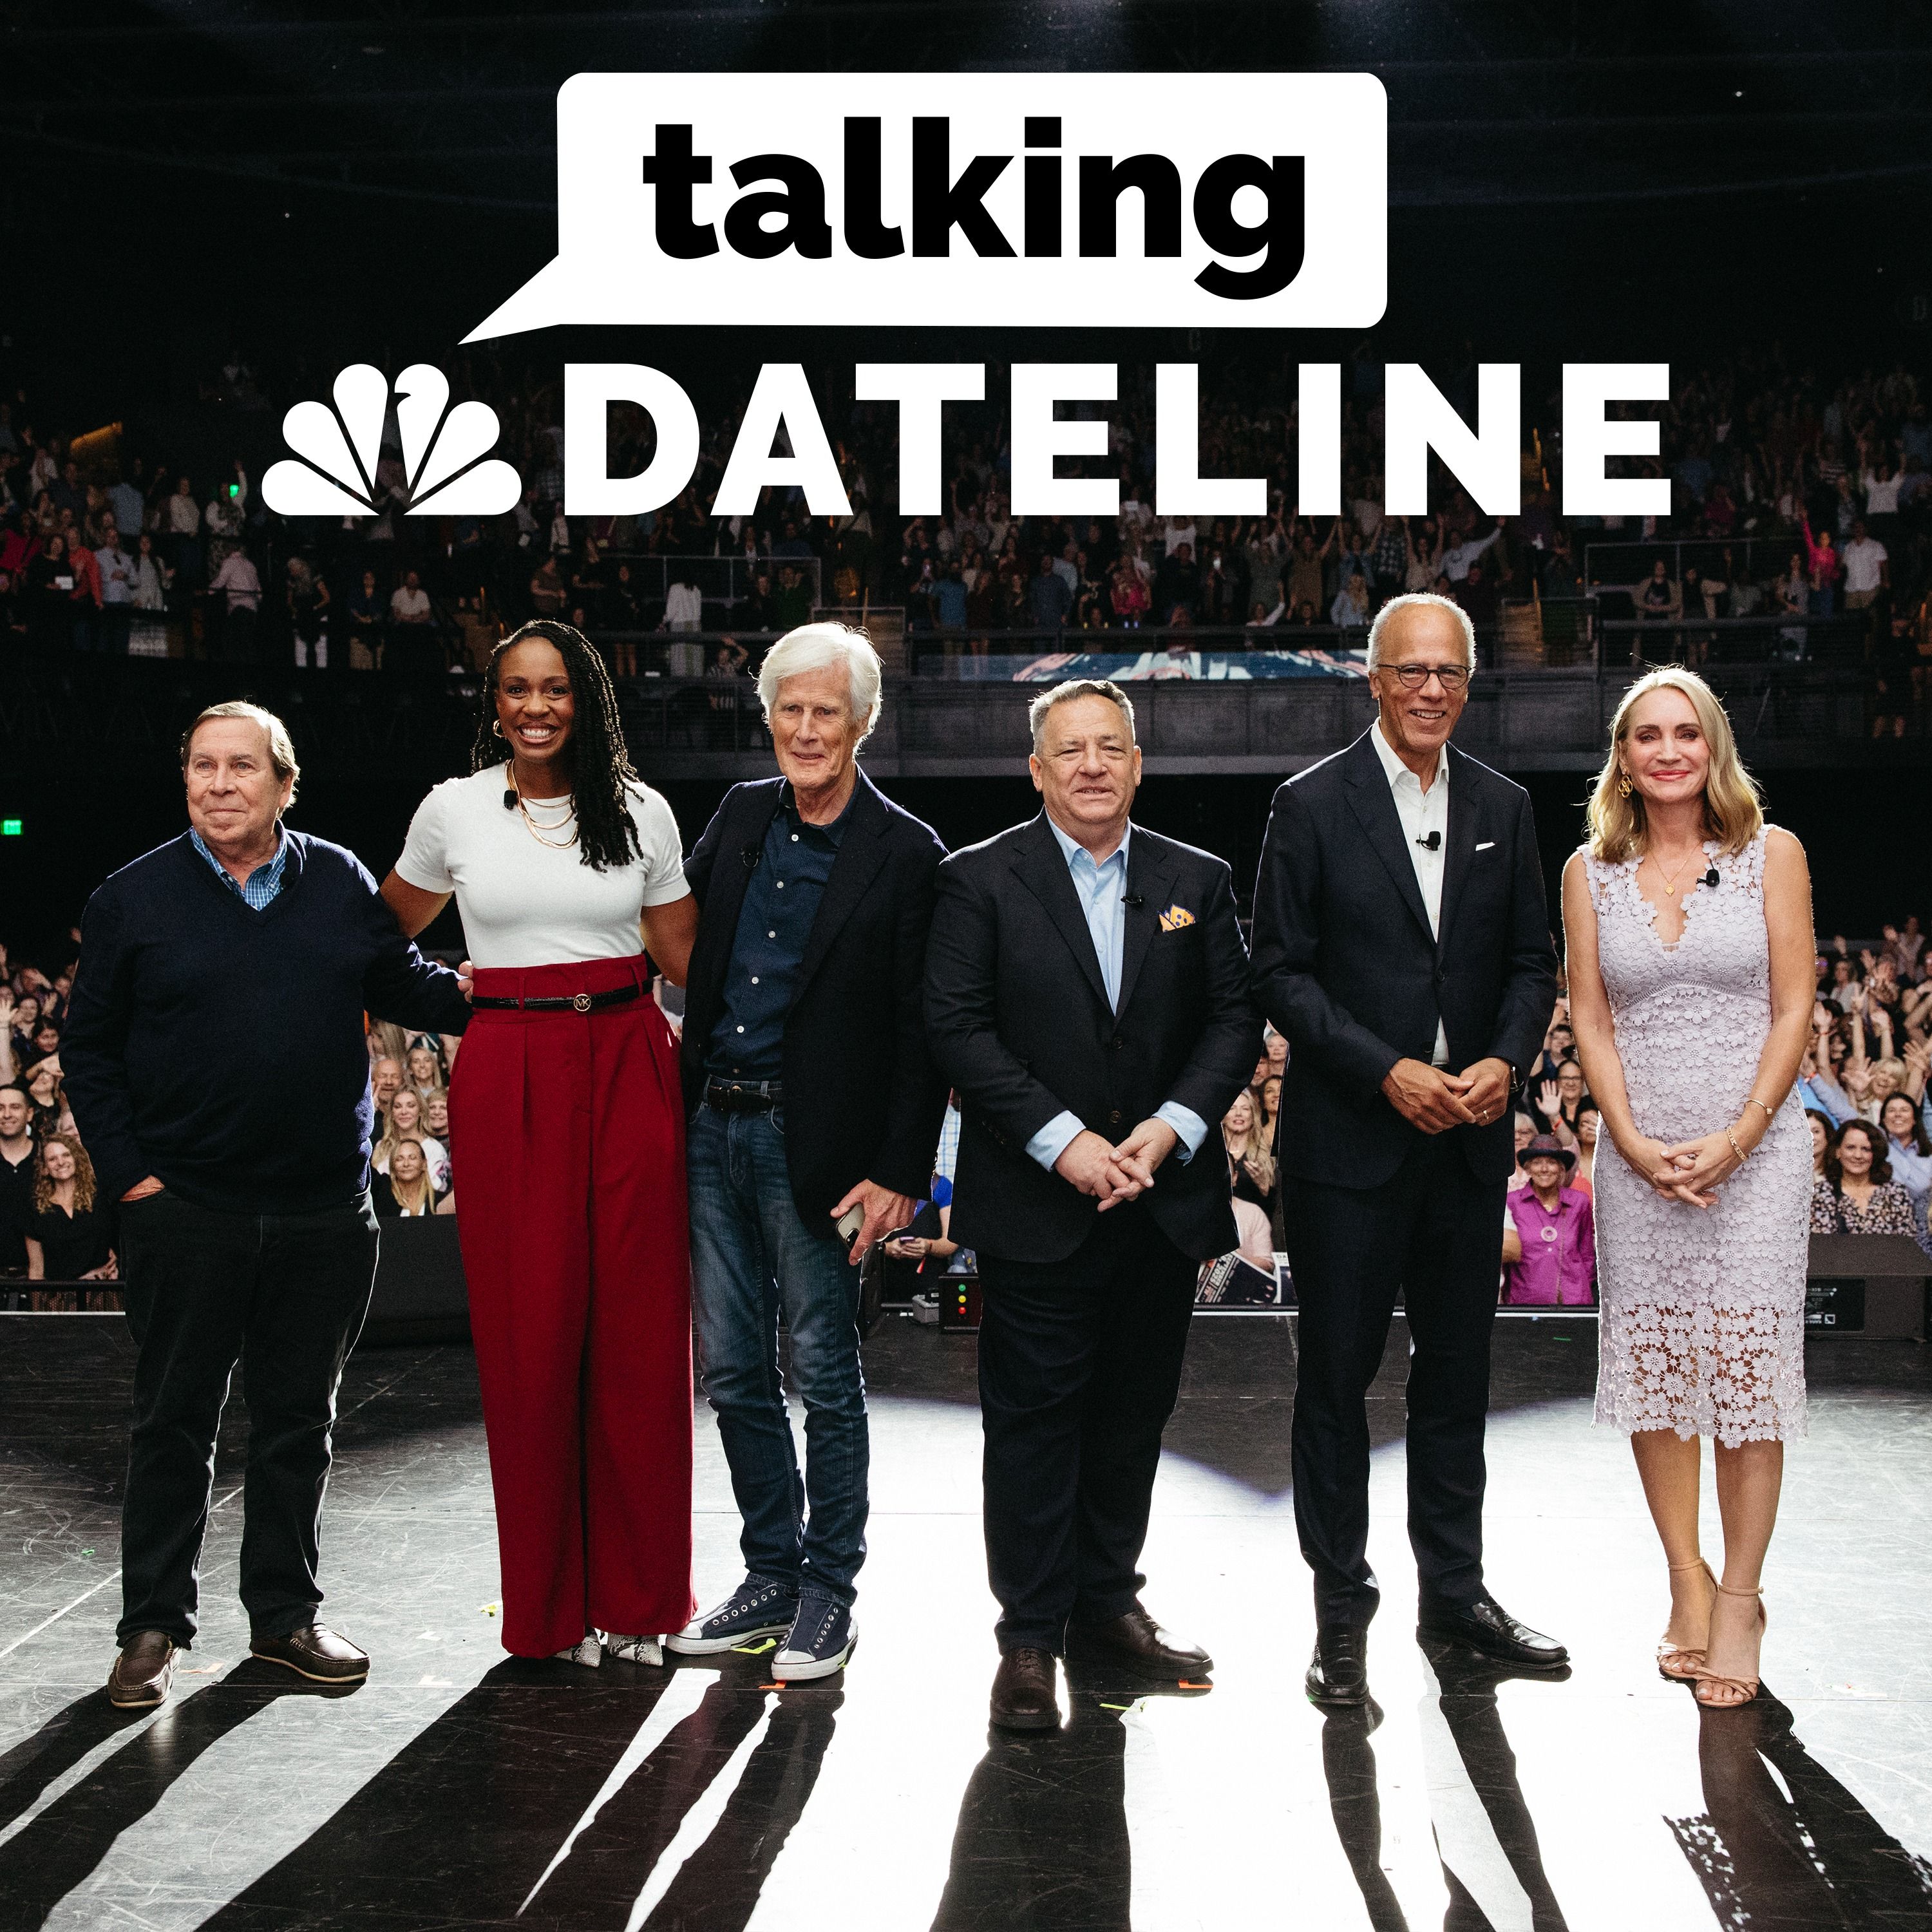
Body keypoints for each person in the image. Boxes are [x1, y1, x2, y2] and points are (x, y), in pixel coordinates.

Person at [62, 701, 470, 1710]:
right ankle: (152, 1626)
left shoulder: (338, 880)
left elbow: (410, 987)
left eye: (242, 767)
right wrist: (132, 1179)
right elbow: (90, 1051)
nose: (219, 784)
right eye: (203, 766)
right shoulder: (132, 897)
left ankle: (285, 1618)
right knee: (173, 1422)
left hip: (321, 1212)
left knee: (298, 1421)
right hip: (185, 1210)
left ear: (286, 785)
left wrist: (531, 978)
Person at [925, 677, 1259, 1730]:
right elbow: (957, 1026)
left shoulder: (1197, 879)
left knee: (1130, 1419)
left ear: (1138, 763)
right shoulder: (977, 879)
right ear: (1037, 769)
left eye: (1110, 746)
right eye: (1069, 749)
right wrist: (1062, 1141)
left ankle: (1107, 1612)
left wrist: (1172, 1127)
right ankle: (1029, 1640)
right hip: (1037, 1206)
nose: (1091, 765)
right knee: (1032, 1429)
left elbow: (1233, 1021)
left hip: (1159, 1200)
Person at [1250, 591, 1564, 1710]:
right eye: (1411, 670)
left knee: (1457, 1380)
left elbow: (1531, 963)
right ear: (1373, 678)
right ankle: (1342, 1615)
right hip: (1349, 1146)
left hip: (1467, 1147)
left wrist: (1507, 1059)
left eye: (1450, 673)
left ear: (1468, 685)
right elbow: (1279, 971)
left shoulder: (1505, 806)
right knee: (1336, 1386)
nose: (1431, 689)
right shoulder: (1308, 803)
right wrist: (1385, 1068)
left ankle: (1456, 1596)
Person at [382, 619, 699, 1669]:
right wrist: (451, 995)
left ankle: (643, 1603)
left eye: (556, 688)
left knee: (642, 1340)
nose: (535, 707)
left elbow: (687, 963)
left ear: (586, 699)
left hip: (629, 1059)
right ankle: (550, 1616)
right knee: (531, 1343)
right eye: (517, 688)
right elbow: (379, 938)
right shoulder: (454, 809)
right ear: (496, 702)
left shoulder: (643, 810)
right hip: (509, 1064)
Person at [672, 623, 948, 1682]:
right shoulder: (742, 814)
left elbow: (922, 1032)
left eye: (825, 710)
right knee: (734, 1371)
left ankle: (830, 1590)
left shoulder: (907, 851)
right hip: (714, 1127)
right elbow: (676, 935)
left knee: (824, 1372)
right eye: (788, 709)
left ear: (862, 722)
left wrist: (902, 1172)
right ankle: (770, 1575)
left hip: (819, 1145)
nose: (804, 728)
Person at [1564, 666, 1814, 1710]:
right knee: (1659, 1374)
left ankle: (1742, 1600)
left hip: (1755, 1156)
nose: (1668, 751)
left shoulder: (1772, 854)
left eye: (1687, 733)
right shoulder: (1589, 871)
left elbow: (1795, 1005)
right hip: (1642, 1164)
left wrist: (1741, 1136)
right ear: (1623, 759)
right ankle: (1687, 1582)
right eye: (1648, 736)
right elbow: (1590, 1015)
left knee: (1746, 1374)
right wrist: (1626, 1140)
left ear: (1714, 747)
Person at [21, 1132, 118, 1302]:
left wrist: (117, 1258)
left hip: (102, 1295)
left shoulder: (101, 1199)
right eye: (52, 1159)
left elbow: (122, 1239)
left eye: (66, 1155)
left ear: (76, 1159)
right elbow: (36, 1270)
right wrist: (37, 1314)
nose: (60, 1162)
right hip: (59, 1300)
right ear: (44, 1168)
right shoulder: (36, 1210)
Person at [1501, 1135, 1594, 1307]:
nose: (1544, 1169)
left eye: (1551, 1163)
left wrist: (1581, 1292)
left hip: (1575, 1302)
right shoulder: (1512, 1203)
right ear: (1528, 1168)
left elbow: (1587, 1255)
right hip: (1525, 1303)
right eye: (1537, 1163)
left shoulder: (1579, 1202)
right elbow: (1506, 1255)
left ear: (1561, 1168)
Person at [1811, 1117, 1921, 1242]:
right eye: (1851, 1148)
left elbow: (1907, 1244)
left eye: (1866, 1149)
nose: (1858, 1156)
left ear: (1875, 1154)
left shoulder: (1896, 1193)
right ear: (1838, 1152)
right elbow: (1819, 1246)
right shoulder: (1821, 1194)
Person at [372, 1086, 448, 1193]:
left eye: (411, 1106)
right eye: (398, 1106)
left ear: (421, 1111)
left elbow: (434, 1191)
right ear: (392, 1113)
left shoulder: (434, 1149)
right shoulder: (382, 1146)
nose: (404, 1112)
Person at [1879, 1092, 1932, 1236]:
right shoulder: (1874, 1152)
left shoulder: (1930, 1156)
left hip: (1924, 1229)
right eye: (1891, 1110)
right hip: (1885, 1228)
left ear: (1915, 1119)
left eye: (1904, 1110)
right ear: (1883, 1120)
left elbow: (1919, 1188)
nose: (1898, 1115)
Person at [1221, 1088, 1276, 1215]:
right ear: (1223, 1117)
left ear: (1253, 1116)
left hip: (1256, 1222)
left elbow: (1277, 1208)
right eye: (1232, 1108)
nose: (1238, 1114)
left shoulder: (1266, 1156)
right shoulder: (1214, 1153)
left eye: (1245, 1109)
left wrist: (1264, 1187)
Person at [0, 1084, 35, 1278]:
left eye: (15, 1107)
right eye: (0, 1108)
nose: (7, 1114)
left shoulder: (48, 1158)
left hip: (44, 1277)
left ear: (29, 1114)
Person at [372, 1137, 445, 1218]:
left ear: (424, 1163)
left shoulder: (440, 1201)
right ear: (392, 1165)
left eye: (412, 1158)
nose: (406, 1164)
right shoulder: (381, 1194)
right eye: (399, 1159)